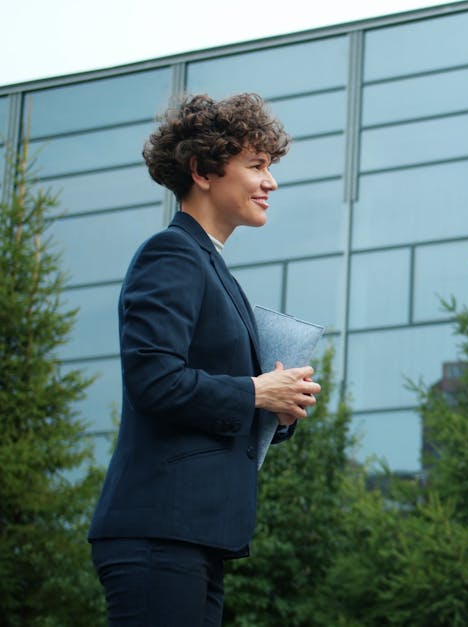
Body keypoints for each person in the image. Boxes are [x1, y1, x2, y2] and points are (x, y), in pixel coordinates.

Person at [88, 93, 322, 626]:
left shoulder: (216, 272)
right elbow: (154, 380)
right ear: (203, 171)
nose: (271, 182)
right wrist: (257, 392)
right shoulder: (169, 254)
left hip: (194, 537)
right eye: (256, 165)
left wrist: (277, 407)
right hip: (158, 532)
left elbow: (214, 395)